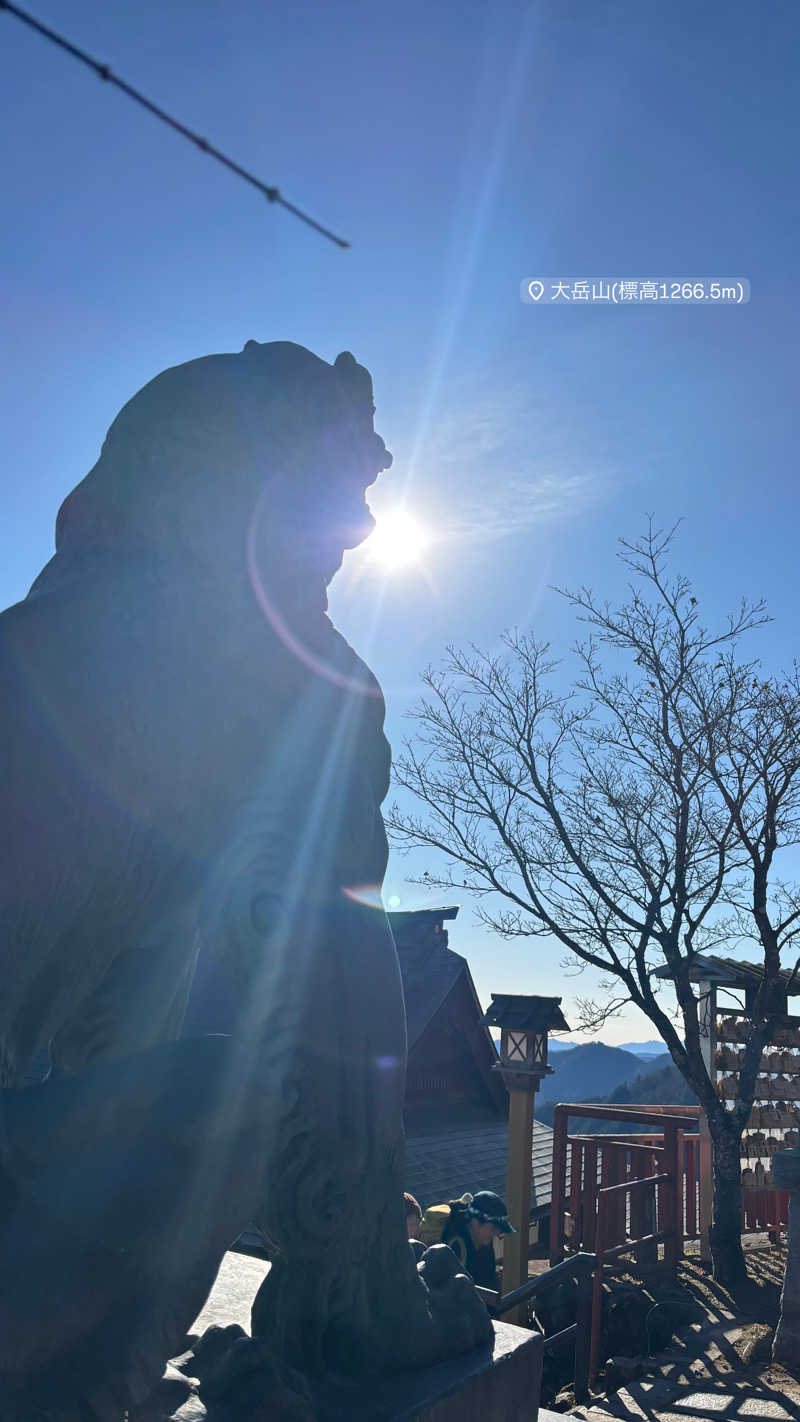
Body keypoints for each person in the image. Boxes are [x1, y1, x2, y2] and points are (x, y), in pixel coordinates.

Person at [441, 1190, 514, 1289]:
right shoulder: (456, 1245)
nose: (496, 1233)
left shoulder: (484, 1241)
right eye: (494, 1228)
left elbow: (488, 1278)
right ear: (475, 1222)